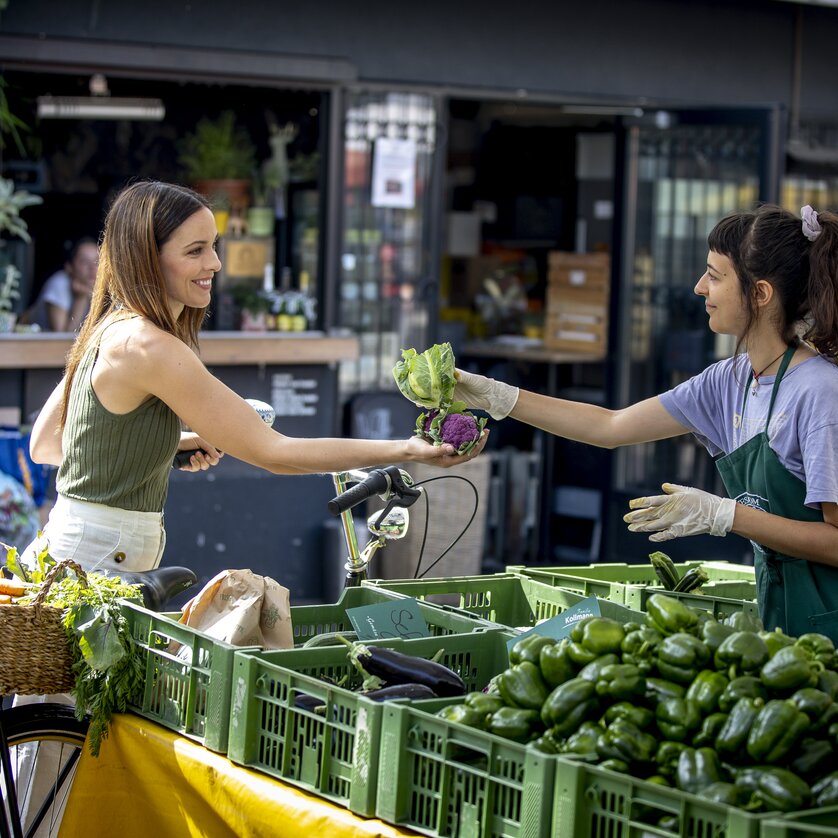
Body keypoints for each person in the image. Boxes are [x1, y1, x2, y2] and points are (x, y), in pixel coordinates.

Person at [25, 180, 486, 575]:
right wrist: (406, 450)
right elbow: (275, 453)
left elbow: (47, 445)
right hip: (96, 562)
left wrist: (164, 443)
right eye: (195, 251)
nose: (216, 264)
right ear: (147, 258)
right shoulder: (150, 347)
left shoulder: (108, 327)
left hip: (76, 551)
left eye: (214, 246)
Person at [453, 203, 838, 643]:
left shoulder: (820, 392)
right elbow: (610, 427)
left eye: (714, 275)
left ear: (761, 293)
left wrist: (726, 515)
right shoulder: (728, 381)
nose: (699, 287)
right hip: (778, 619)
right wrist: (498, 397)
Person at [20, 237, 99, 332]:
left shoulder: (102, 285)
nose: (92, 268)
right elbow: (63, 338)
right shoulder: (59, 284)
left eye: (97, 261)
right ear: (69, 267)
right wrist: (80, 299)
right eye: (84, 261)